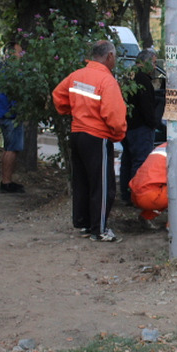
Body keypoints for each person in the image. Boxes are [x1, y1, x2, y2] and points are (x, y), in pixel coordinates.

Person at [52, 40, 128, 242]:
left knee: (82, 181)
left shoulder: (76, 76)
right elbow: (114, 115)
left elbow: (58, 96)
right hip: (97, 137)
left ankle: (84, 223)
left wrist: (73, 113)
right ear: (109, 56)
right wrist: (118, 135)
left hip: (77, 134)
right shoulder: (107, 81)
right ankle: (100, 229)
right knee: (102, 185)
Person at [120, 48, 161, 204]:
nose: (155, 67)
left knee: (128, 160)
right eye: (154, 62)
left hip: (127, 126)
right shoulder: (143, 80)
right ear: (145, 62)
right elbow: (146, 107)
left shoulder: (128, 75)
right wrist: (153, 124)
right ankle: (136, 196)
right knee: (140, 162)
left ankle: (126, 194)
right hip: (140, 128)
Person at [129, 139, 177, 225]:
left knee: (168, 189)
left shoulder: (162, 147)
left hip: (135, 194)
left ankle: (146, 216)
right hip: (150, 197)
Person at [0, 42, 26, 193]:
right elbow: (14, 93)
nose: (21, 55)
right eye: (19, 52)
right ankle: (6, 182)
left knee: (9, 147)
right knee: (12, 148)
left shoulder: (0, 67)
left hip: (2, 112)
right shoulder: (11, 70)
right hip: (10, 114)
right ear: (11, 53)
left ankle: (7, 180)